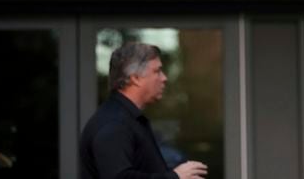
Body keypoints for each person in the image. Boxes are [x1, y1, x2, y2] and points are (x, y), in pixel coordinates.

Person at [80, 42, 208, 179]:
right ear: (135, 78)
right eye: (157, 71)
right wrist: (174, 177)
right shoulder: (115, 124)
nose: (164, 78)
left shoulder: (125, 118)